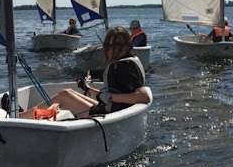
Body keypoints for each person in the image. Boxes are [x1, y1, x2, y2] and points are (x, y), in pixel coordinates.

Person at [21, 26, 151, 119]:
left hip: (111, 115)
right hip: (110, 109)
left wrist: (110, 97)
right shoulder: (130, 60)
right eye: (110, 45)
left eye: (117, 45)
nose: (113, 49)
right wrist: (88, 89)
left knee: (64, 95)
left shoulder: (122, 66)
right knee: (69, 92)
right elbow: (114, 95)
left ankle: (22, 117)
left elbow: (144, 96)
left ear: (127, 46)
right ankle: (28, 115)